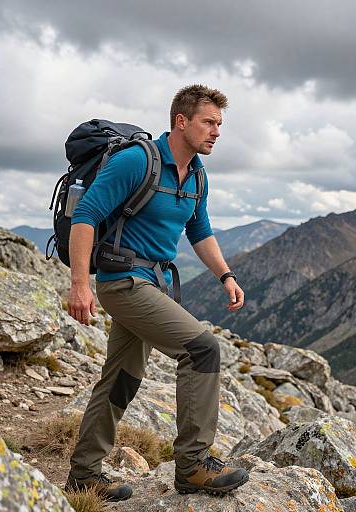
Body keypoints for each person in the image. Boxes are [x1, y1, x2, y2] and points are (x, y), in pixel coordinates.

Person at [65, 84, 248, 501]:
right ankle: (193, 465)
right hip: (124, 281)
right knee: (202, 349)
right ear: (181, 122)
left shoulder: (197, 174)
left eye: (220, 124)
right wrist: (79, 284)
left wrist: (226, 275)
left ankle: (84, 474)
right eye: (208, 122)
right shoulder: (137, 161)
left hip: (156, 285)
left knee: (122, 378)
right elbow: (87, 215)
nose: (216, 131)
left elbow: (198, 230)